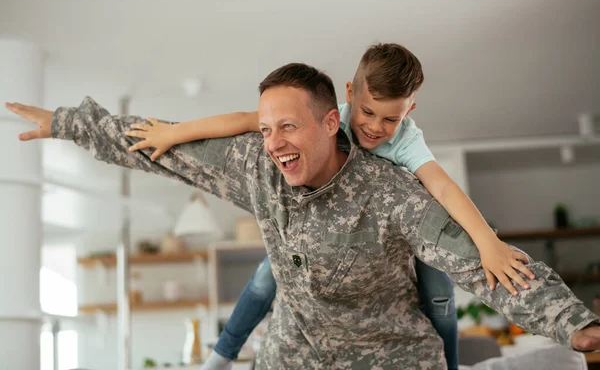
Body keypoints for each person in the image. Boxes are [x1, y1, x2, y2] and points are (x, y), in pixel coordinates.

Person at [5, 63, 600, 369]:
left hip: (390, 356)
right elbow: (161, 146)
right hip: (292, 354)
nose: (272, 142)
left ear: (329, 123)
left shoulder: (391, 192)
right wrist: (68, 123)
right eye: (265, 128)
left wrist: (575, 325)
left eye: (287, 126)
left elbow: (481, 263)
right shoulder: (258, 165)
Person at [122, 43, 534, 369]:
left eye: (389, 120)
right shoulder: (328, 117)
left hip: (403, 232)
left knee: (440, 297)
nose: (374, 127)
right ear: (351, 95)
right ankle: (222, 354)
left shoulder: (407, 140)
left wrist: (487, 242)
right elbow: (242, 119)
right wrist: (173, 133)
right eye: (367, 112)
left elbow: (443, 190)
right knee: (266, 279)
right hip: (322, 231)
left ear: (409, 111)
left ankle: (450, 365)